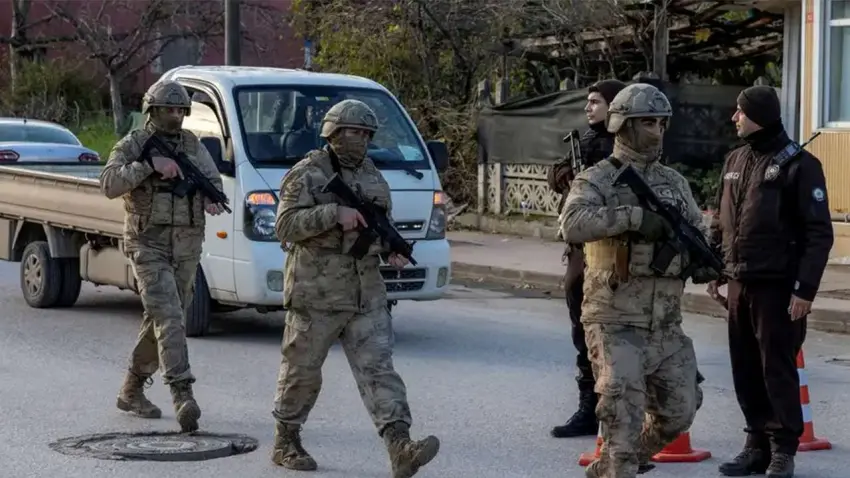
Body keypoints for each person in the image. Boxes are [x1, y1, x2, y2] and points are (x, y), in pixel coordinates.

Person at [270, 99, 439, 477]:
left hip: (365, 291)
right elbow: (285, 226)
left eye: (366, 134)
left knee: (380, 370)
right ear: (333, 133)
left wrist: (388, 250)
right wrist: (334, 214)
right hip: (317, 291)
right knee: (303, 370)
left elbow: (376, 227)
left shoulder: (372, 175)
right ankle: (286, 440)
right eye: (353, 132)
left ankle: (400, 446)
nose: (360, 140)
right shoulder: (308, 174)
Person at [560, 83, 716, 478]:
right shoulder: (598, 179)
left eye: (662, 123)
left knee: (682, 408)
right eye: (648, 122)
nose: (657, 131)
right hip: (614, 319)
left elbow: (697, 230)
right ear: (623, 125)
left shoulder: (674, 182)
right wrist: (631, 218)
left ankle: (615, 464)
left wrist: (702, 259)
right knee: (621, 417)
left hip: (665, 323)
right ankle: (621, 462)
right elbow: (571, 224)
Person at [709, 85, 834, 478]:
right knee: (744, 367)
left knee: (775, 368)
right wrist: (715, 269)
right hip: (739, 282)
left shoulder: (800, 165)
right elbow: (720, 222)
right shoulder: (734, 159)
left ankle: (783, 449)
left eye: (740, 112)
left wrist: (804, 290)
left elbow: (819, 234)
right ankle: (755, 444)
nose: (734, 118)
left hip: (778, 288)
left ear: (758, 114)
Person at [99, 80, 226, 432]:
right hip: (147, 244)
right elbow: (109, 183)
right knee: (170, 318)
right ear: (152, 111)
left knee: (162, 319)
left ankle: (132, 388)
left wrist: (210, 197)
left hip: (186, 247)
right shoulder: (135, 144)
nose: (174, 116)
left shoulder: (192, 145)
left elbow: (211, 179)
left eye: (179, 110)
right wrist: (148, 166)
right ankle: (183, 394)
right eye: (168, 109)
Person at [548, 79, 626, 438]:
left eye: (596, 101)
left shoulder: (625, 145)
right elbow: (555, 175)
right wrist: (567, 177)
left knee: (612, 332)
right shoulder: (584, 140)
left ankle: (620, 408)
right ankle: (588, 408)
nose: (588, 107)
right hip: (580, 249)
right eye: (589, 101)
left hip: (612, 250)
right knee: (581, 328)